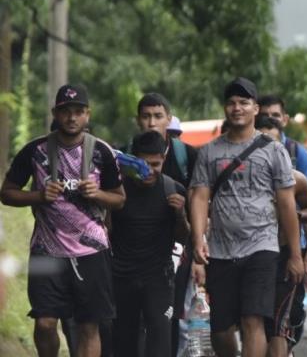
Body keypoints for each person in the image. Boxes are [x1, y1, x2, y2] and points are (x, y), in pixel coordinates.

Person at [1, 84, 125, 357]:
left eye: (78, 111)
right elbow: (6, 193)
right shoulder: (35, 150)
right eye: (65, 111)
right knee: (45, 323)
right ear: (55, 114)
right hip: (47, 251)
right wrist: (38, 196)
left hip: (92, 251)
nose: (72, 117)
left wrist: (99, 194)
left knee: (88, 327)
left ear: (87, 115)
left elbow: (119, 199)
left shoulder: (101, 151)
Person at [189, 77, 304, 357]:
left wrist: (295, 255)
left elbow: (288, 204)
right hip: (221, 249)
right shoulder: (209, 152)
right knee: (220, 329)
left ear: (255, 109)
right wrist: (197, 241)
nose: (237, 107)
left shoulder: (274, 150)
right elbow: (200, 197)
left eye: (244, 102)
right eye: (231, 103)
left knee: (253, 320)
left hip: (262, 247)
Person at [132, 92, 200, 357]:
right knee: (132, 318)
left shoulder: (188, 156)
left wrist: (197, 250)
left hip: (177, 249)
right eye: (146, 116)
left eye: (158, 116)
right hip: (132, 251)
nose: (152, 122)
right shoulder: (125, 154)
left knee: (171, 313)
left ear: (169, 120)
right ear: (138, 120)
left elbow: (200, 203)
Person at [110, 131, 188, 357]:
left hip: (158, 278)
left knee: (160, 337)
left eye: (156, 164)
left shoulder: (173, 189)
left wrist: (180, 214)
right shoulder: (117, 189)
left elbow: (183, 239)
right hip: (121, 276)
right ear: (132, 159)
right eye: (142, 164)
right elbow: (106, 233)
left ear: (164, 158)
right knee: (124, 340)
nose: (149, 170)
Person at [255, 116, 307, 357]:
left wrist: (293, 214)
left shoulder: (295, 179)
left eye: (274, 143)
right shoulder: (240, 179)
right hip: (247, 258)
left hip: (284, 256)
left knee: (280, 326)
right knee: (255, 323)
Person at [258, 94, 307, 193]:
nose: (270, 119)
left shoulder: (298, 152)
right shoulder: (247, 148)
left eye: (275, 115)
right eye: (264, 116)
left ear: (285, 120)